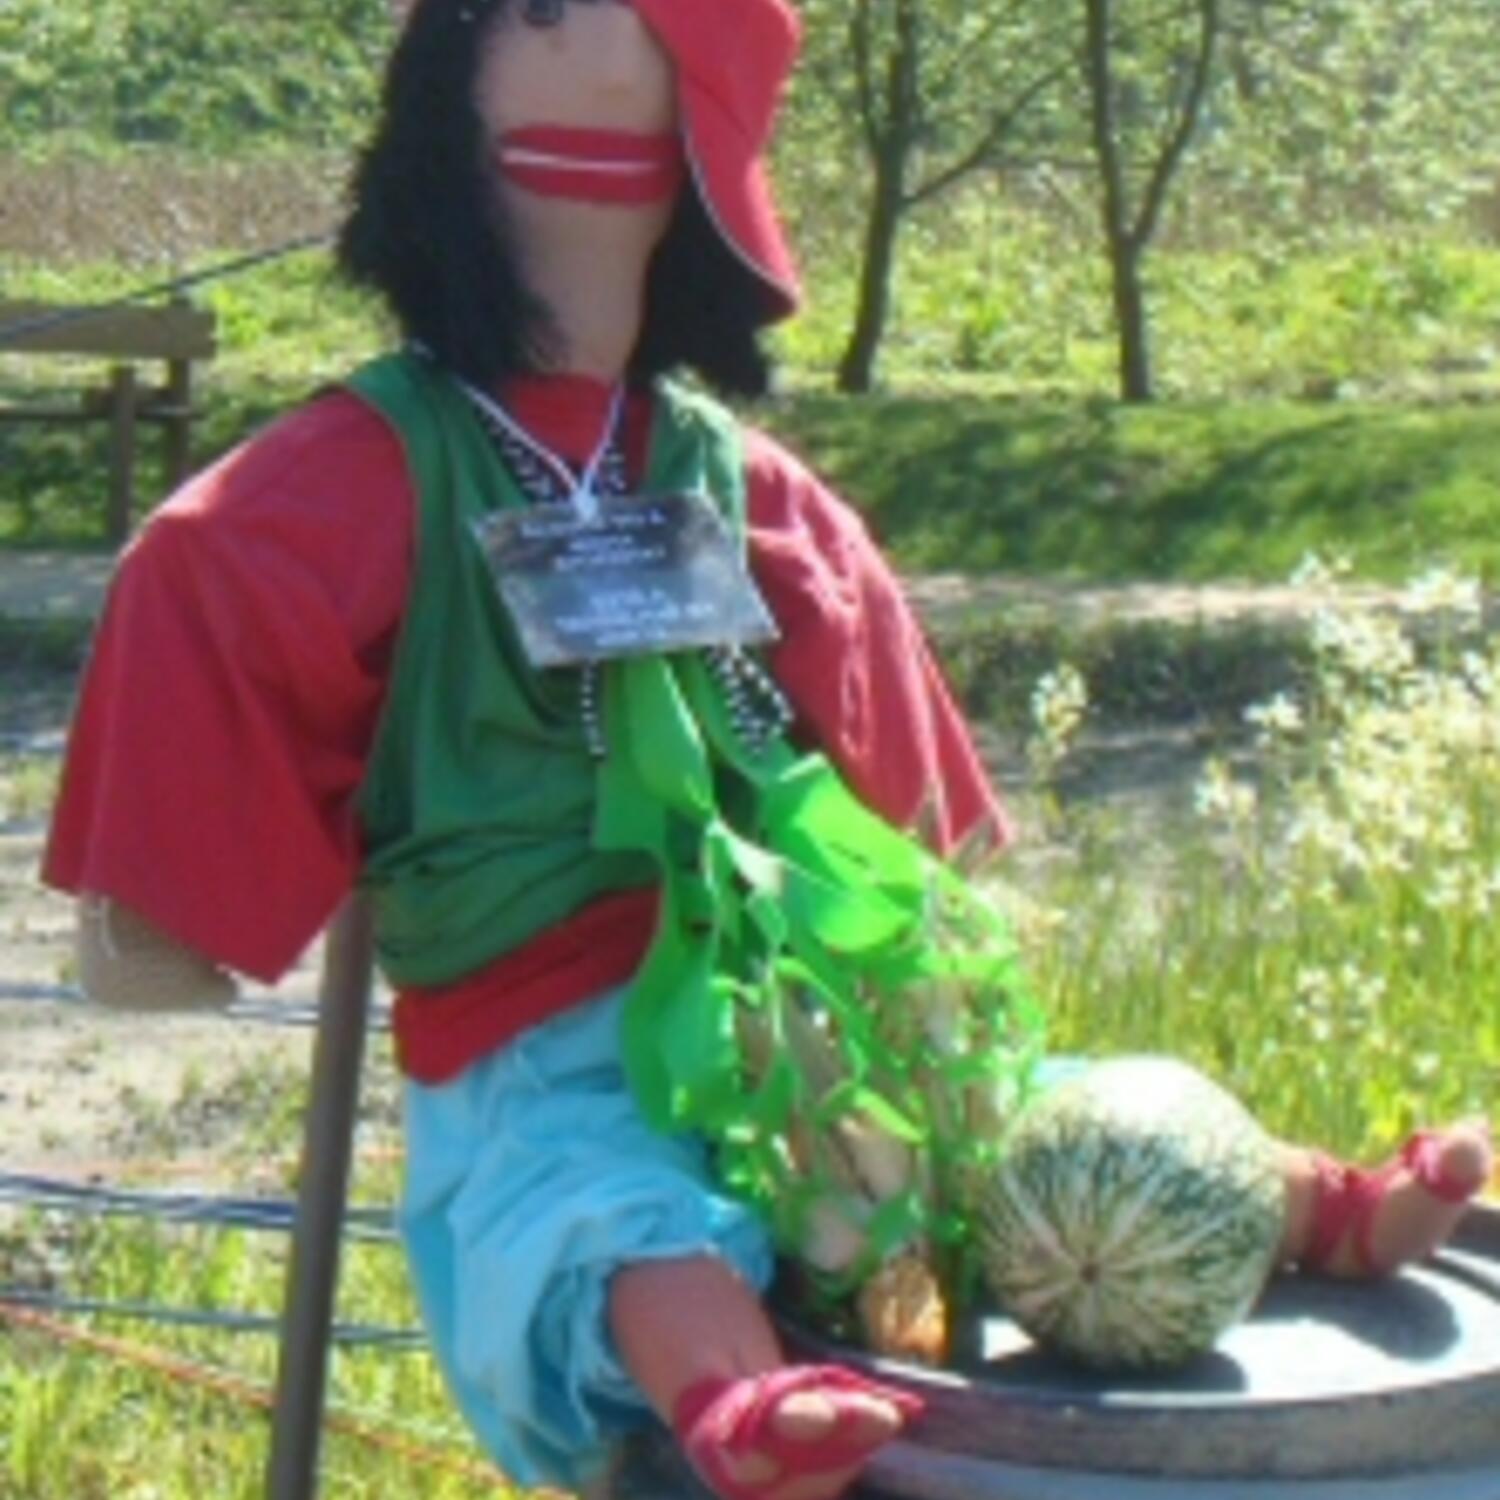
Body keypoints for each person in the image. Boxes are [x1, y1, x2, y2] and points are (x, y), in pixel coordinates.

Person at [42, 1, 1493, 1497]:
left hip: (808, 1021)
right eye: (547, 14)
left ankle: (1317, 1208)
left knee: (1054, 1134)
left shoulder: (741, 489)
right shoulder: (368, 480)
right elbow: (164, 867)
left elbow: (918, 834)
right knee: (618, 1228)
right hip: (552, 1051)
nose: (607, 58)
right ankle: (737, 1407)